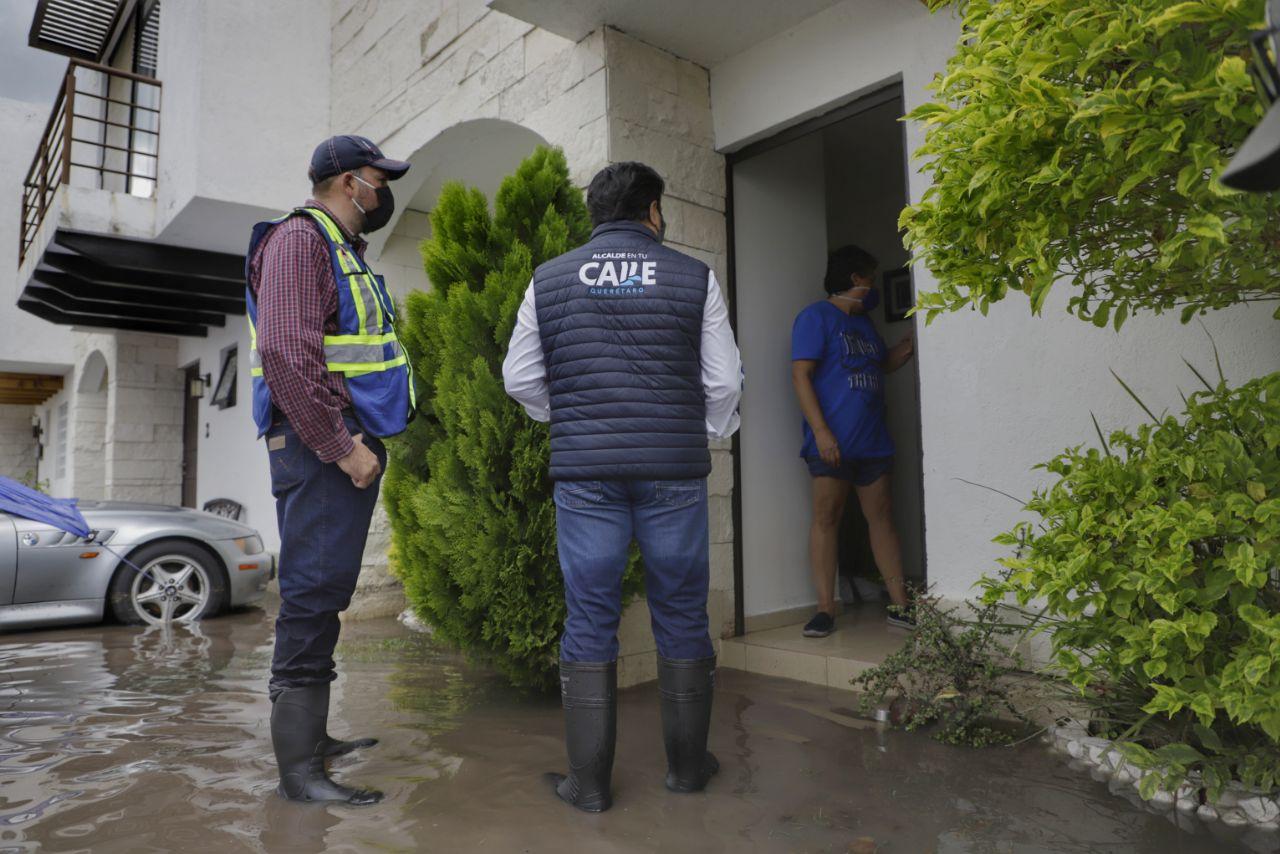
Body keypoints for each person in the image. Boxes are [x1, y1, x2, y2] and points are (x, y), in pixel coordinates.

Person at [503, 161, 743, 813]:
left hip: (588, 477)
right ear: (652, 210)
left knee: (590, 615)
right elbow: (723, 383)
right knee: (681, 610)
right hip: (672, 470)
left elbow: (520, 379)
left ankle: (588, 787)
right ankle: (688, 771)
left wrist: (575, 414)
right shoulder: (693, 276)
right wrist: (700, 428)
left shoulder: (549, 280)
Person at [245, 134, 414, 805]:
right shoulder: (299, 241)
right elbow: (287, 355)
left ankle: (314, 743)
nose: (385, 190)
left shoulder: (340, 250)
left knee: (328, 593)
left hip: (334, 447)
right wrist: (344, 447)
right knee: (312, 595)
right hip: (322, 450)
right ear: (349, 183)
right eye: (380, 178)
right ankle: (300, 777)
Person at [790, 245, 915, 638]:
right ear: (856, 279)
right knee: (827, 519)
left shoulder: (864, 324)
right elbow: (801, 376)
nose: (874, 286)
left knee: (882, 519)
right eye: (871, 278)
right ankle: (825, 609)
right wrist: (822, 432)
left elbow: (883, 364)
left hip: (873, 441)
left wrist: (911, 344)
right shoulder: (815, 317)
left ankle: (901, 605)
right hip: (833, 444)